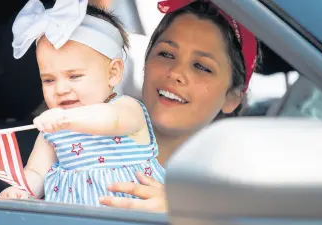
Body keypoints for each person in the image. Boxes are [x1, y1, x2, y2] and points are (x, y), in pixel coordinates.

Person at [0, 0, 166, 206]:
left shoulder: (128, 108)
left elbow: (109, 120)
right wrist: (21, 190)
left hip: (130, 214)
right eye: (49, 80)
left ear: (113, 73)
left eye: (74, 76)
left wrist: (65, 119)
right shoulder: (53, 130)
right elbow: (36, 172)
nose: (60, 89)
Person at [99, 0, 259, 212]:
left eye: (201, 67)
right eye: (166, 54)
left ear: (232, 98)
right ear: (145, 64)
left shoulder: (233, 199)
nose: (175, 73)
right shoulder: (79, 140)